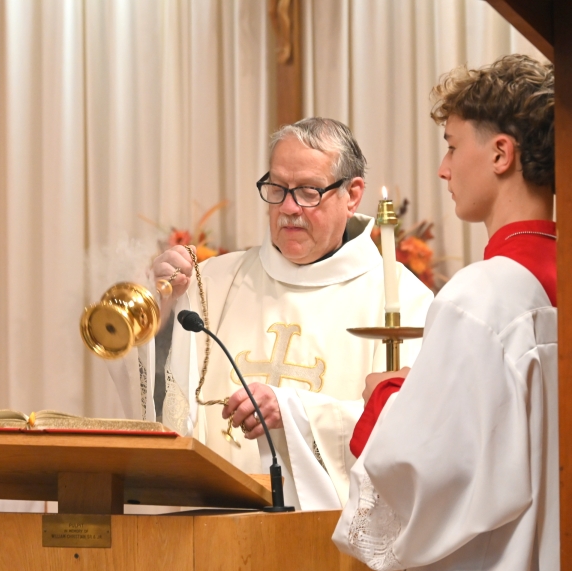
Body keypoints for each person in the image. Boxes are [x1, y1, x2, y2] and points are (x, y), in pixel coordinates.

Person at [108, 118, 434, 510]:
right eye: (277, 189)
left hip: (328, 543)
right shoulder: (212, 282)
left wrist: (294, 412)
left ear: (353, 194)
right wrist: (162, 310)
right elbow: (158, 408)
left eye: (309, 192)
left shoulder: (401, 301)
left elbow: (416, 430)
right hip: (211, 531)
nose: (289, 208)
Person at [333, 54, 557, 571]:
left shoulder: (483, 295)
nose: (444, 168)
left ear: (501, 152)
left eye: (454, 145)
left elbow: (424, 475)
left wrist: (384, 395)